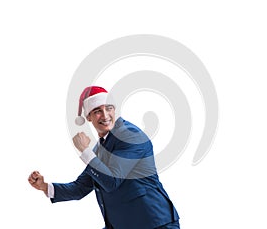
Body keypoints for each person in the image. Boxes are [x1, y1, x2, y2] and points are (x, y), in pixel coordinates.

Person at [28, 86, 180, 229]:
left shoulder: (131, 136)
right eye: (97, 111)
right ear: (88, 117)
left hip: (154, 223)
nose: (105, 115)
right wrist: (45, 187)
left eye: (109, 108)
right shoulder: (101, 148)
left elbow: (112, 181)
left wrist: (84, 151)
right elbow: (80, 188)